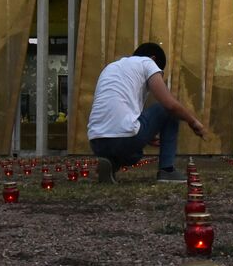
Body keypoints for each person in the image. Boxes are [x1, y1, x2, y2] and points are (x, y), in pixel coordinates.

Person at [87, 42, 206, 184]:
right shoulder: (147, 63)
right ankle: (167, 170)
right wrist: (193, 121)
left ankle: (109, 164)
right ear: (153, 59)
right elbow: (169, 105)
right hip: (123, 140)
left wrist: (145, 134)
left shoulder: (111, 67)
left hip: (96, 142)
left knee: (136, 154)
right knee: (167, 110)